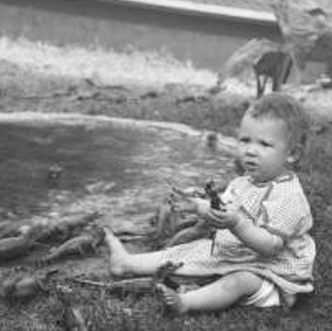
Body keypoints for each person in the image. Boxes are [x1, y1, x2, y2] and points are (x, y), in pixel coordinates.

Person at [102, 92, 316, 315]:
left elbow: (270, 246)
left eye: (264, 144)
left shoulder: (288, 195)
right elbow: (220, 211)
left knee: (239, 281)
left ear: (292, 153)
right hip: (235, 255)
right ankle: (126, 263)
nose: (250, 150)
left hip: (270, 273)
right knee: (184, 252)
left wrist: (237, 224)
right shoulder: (244, 182)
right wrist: (198, 206)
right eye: (245, 140)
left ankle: (186, 302)